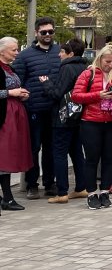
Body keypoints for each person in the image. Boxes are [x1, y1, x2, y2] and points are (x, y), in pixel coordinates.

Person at [71, 43, 112, 210]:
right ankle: (91, 193)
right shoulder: (88, 73)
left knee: (109, 157)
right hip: (90, 121)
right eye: (107, 61)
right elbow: (76, 96)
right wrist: (98, 95)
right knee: (92, 158)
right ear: (100, 58)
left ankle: (104, 191)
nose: (109, 65)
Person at [12, 17, 61, 200]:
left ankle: (50, 183)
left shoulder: (60, 52)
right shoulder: (24, 56)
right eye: (44, 32)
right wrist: (24, 99)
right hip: (33, 109)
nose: (48, 35)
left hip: (55, 109)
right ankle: (32, 185)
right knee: (33, 148)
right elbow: (18, 81)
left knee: (52, 148)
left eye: (50, 31)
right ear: (36, 33)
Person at [38, 38, 89, 203]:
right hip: (79, 116)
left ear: (70, 54)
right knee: (77, 153)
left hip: (63, 118)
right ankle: (81, 187)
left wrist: (46, 84)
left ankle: (62, 192)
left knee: (59, 154)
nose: (59, 54)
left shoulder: (67, 68)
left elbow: (57, 94)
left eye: (62, 51)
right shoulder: (85, 67)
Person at [0, 36, 33, 212]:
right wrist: (11, 92)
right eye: (13, 49)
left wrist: (21, 94)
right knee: (4, 155)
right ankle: (7, 197)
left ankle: (6, 197)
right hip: (4, 116)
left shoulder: (9, 68)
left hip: (13, 113)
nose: (17, 52)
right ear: (2, 51)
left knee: (10, 154)